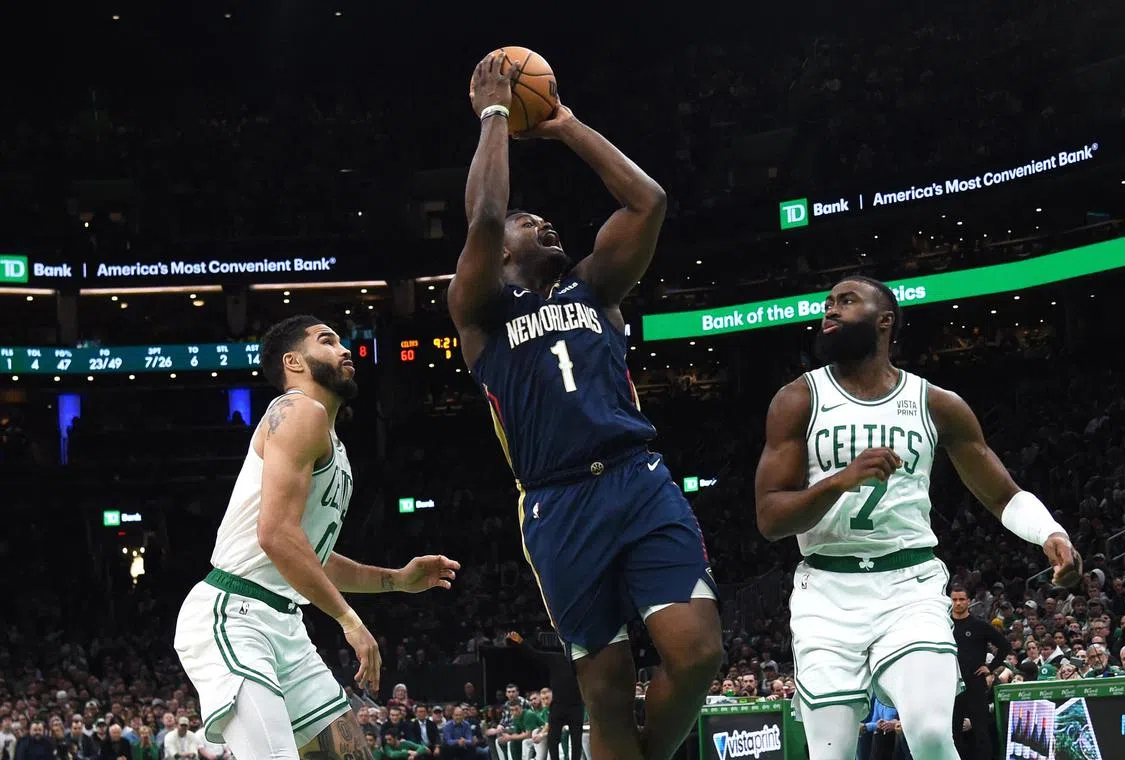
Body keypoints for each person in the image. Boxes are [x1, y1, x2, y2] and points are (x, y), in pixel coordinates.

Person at [453, 50, 722, 760]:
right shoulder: (481, 313)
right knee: (604, 695)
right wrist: (496, 115)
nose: (541, 224)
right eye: (527, 221)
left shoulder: (593, 288)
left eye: (544, 219)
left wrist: (566, 123)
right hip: (557, 502)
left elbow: (649, 201)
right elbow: (483, 215)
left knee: (696, 656)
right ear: (500, 253)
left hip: (638, 480)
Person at [753, 276, 1081, 760]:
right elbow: (769, 518)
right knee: (830, 753)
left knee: (929, 733)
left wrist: (1049, 532)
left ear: (885, 320)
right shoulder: (798, 399)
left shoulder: (936, 404)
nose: (830, 312)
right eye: (827, 304)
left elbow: (1001, 494)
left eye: (846, 302)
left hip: (909, 585)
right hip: (825, 593)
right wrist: (840, 480)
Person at [173, 315, 460, 760]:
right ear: (294, 362)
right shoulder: (297, 410)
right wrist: (349, 619)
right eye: (327, 341)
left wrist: (396, 580)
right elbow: (275, 535)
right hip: (234, 613)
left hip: (283, 621)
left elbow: (310, 555)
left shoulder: (332, 441)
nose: (345, 350)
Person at [950, 586, 1010, 760]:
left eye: (962, 599)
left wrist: (990, 668)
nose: (958, 603)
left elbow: (1004, 646)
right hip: (952, 686)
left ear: (968, 601)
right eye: (955, 600)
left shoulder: (978, 625)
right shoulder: (945, 626)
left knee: (981, 731)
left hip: (975, 684)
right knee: (954, 731)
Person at [506, 633, 583, 760]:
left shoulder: (581, 662)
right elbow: (535, 654)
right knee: (553, 740)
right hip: (558, 706)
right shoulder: (556, 658)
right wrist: (521, 642)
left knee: (576, 742)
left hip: (576, 706)